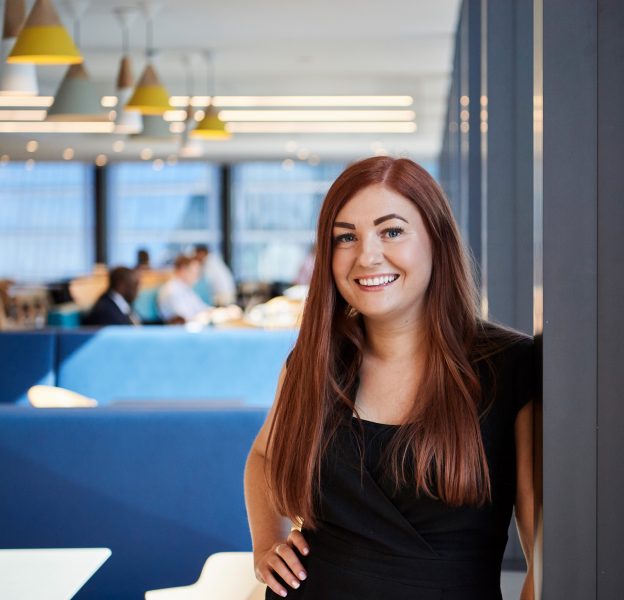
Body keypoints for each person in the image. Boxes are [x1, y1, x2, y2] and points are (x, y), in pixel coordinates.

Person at [244, 156, 535, 600]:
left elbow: (544, 556)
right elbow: (264, 457)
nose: (367, 255)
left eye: (392, 231)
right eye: (346, 237)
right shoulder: (315, 362)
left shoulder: (510, 366)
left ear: (436, 240)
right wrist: (266, 542)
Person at [156, 254, 212, 324]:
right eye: (194, 272)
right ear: (183, 270)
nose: (197, 277)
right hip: (181, 330)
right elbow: (186, 317)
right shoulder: (172, 290)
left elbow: (201, 308)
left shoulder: (185, 288)